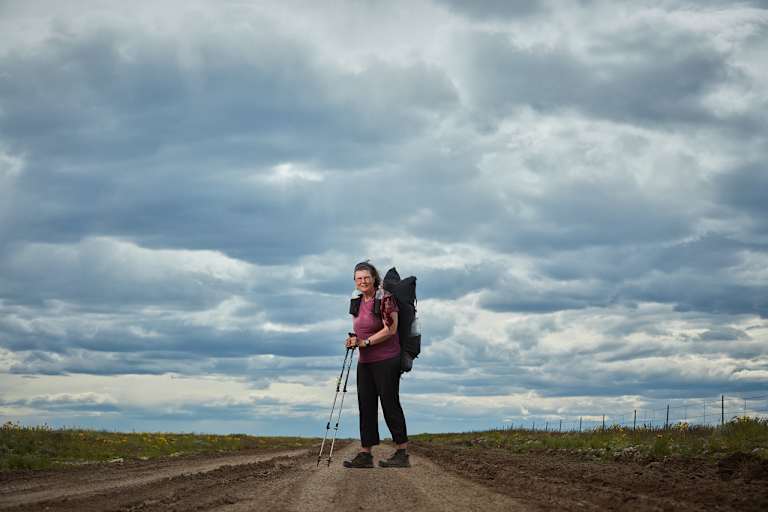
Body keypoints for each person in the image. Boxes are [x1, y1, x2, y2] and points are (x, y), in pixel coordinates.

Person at [343, 261, 410, 468]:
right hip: (366, 361)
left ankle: (402, 452)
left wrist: (366, 342)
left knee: (390, 404)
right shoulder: (358, 301)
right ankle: (365, 454)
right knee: (366, 406)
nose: (362, 281)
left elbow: (391, 329)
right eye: (358, 278)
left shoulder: (385, 299)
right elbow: (362, 328)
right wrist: (354, 340)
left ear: (374, 278)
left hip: (387, 359)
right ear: (355, 281)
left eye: (366, 277)